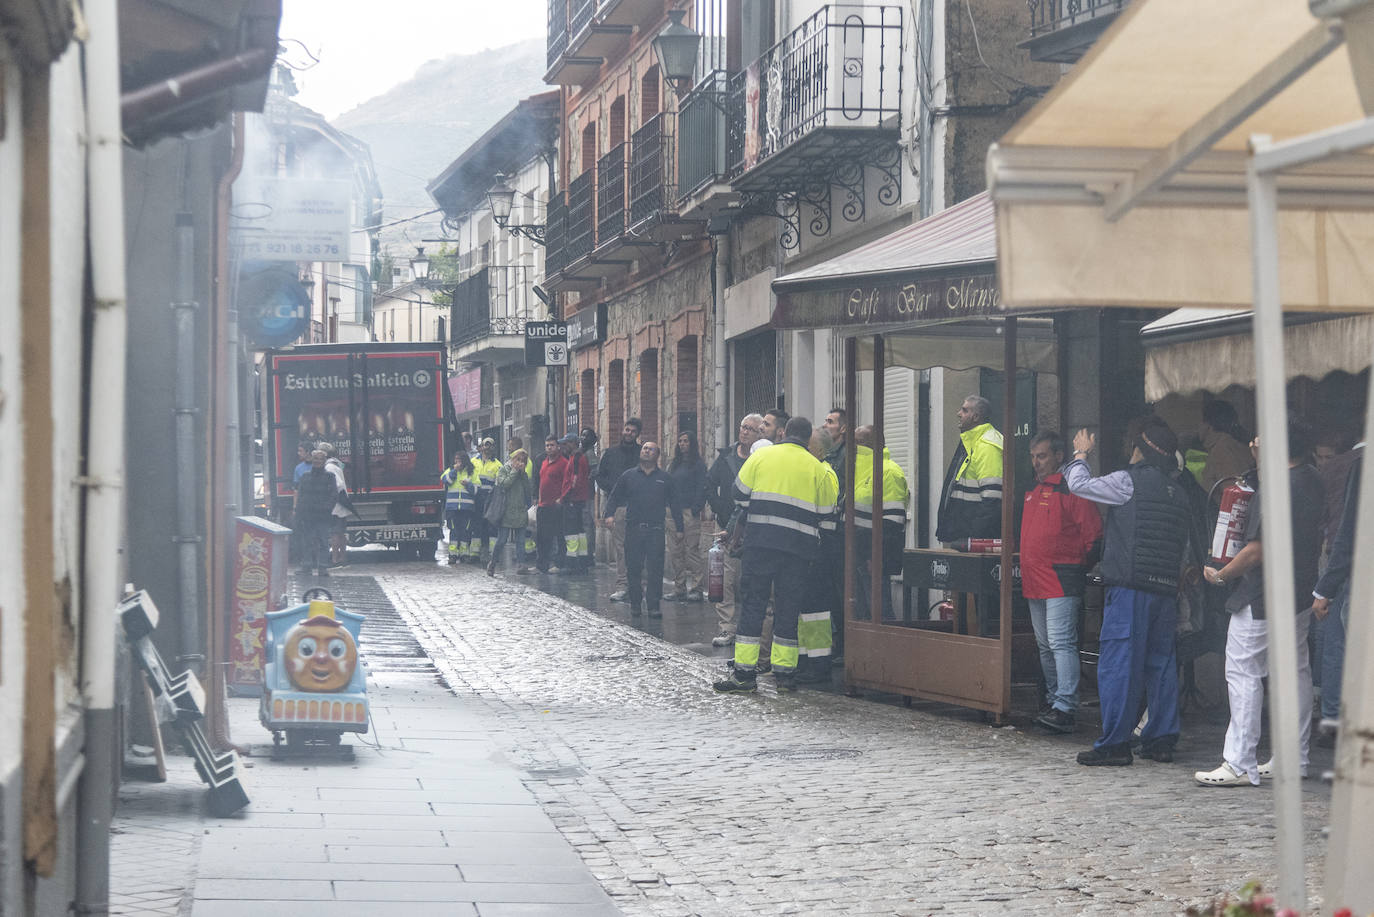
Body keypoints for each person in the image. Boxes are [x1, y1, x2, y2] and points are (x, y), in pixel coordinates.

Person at [1195, 422, 1324, 786]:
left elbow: (1257, 549)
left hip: (1262, 593)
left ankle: (1238, 761)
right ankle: (1292, 756)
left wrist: (1222, 575)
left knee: (1243, 670)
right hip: (1298, 589)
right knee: (1295, 671)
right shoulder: (1310, 478)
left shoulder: (1279, 486)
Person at [1065, 419, 1193, 766]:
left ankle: (1115, 743)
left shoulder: (1127, 482)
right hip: (1165, 589)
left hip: (1130, 587)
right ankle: (1161, 740)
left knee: (1119, 663)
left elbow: (1078, 485)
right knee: (1162, 665)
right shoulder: (1178, 493)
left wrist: (1080, 453)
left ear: (1141, 449)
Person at [714, 417, 839, 694]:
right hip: (798, 551)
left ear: (783, 434)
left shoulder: (763, 457)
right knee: (788, 610)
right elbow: (828, 514)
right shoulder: (817, 468)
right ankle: (785, 676)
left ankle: (744, 675)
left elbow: (739, 495)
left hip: (761, 545)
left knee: (754, 605)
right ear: (808, 440)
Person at [1020, 431, 1103, 734]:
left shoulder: (1072, 490)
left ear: (1058, 456)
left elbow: (1094, 535)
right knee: (1046, 646)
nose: (1036, 462)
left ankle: (1065, 706)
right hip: (1036, 580)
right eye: (1033, 457)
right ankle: (1056, 702)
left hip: (1060, 577)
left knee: (1060, 644)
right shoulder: (1034, 491)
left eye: (1041, 456)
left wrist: (1076, 565)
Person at [1312, 432, 1364, 739]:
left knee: (1335, 643)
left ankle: (1333, 720)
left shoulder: (1353, 466)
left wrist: (1325, 587)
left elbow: (1348, 529)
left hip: (1351, 566)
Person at [602, 441, 682, 618]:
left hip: (655, 530)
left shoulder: (664, 478)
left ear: (657, 455)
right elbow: (614, 497)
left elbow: (675, 503)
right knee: (634, 568)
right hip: (634, 530)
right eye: (644, 448)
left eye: (650, 449)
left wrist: (679, 528)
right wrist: (609, 515)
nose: (646, 451)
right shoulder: (629, 476)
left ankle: (653, 605)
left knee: (655, 569)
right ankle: (636, 603)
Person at [706, 414, 764, 647]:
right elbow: (709, 484)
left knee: (749, 579)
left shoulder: (762, 458)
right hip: (726, 526)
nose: (745, 432)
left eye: (751, 429)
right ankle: (727, 627)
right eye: (743, 427)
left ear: (760, 434)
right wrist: (719, 507)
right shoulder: (726, 457)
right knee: (725, 579)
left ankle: (753, 630)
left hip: (754, 527)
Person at [852, 424, 910, 622]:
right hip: (859, 554)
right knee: (862, 611)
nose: (852, 448)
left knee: (879, 610)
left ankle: (887, 650)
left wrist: (873, 555)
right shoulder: (861, 472)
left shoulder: (888, 472)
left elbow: (892, 523)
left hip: (873, 557)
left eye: (857, 443)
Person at [936, 394, 1004, 544]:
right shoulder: (971, 442)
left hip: (975, 542)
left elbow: (992, 501)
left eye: (964, 410)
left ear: (976, 416)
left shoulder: (988, 445)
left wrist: (973, 540)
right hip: (965, 538)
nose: (958, 413)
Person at [595, 418, 643, 601]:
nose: (628, 433)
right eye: (626, 430)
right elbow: (600, 476)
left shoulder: (641, 454)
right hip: (618, 505)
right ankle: (623, 584)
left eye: (632, 431)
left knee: (639, 548)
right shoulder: (611, 454)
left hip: (638, 506)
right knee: (621, 548)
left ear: (637, 434)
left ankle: (637, 585)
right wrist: (614, 487)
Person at [666, 430, 709, 602]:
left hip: (689, 511)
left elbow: (702, 487)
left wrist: (695, 508)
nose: (682, 444)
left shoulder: (698, 464)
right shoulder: (674, 464)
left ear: (691, 443)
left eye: (686, 441)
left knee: (691, 550)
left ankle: (697, 588)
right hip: (672, 513)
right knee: (675, 552)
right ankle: (679, 587)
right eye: (680, 441)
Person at [488, 448, 534, 576]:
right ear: (512, 459)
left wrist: (523, 474)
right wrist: (514, 471)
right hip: (506, 510)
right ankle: (492, 562)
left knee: (520, 541)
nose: (520, 463)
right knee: (502, 540)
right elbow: (504, 484)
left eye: (523, 461)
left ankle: (521, 564)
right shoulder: (504, 469)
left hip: (520, 510)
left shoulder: (522, 474)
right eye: (518, 460)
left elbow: (527, 490)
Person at [294, 449, 338, 577]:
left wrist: (327, 508)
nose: (317, 461)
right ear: (312, 460)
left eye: (320, 459)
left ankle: (323, 567)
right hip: (307, 515)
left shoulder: (330, 477)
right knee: (307, 541)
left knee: (323, 541)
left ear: (324, 461)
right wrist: (298, 513)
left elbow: (334, 495)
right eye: (315, 459)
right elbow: (301, 495)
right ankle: (306, 566)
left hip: (323, 516)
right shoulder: (305, 476)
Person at [1199, 400, 1254, 498]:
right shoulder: (1232, 445)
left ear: (1208, 426)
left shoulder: (1222, 450)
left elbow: (1234, 493)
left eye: (1201, 422)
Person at [558, 432, 593, 573]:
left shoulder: (577, 458)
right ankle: (582, 561)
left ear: (573, 443)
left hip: (573, 500)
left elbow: (575, 480)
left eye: (566, 444)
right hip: (577, 499)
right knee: (579, 531)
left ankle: (572, 563)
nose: (564, 447)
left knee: (571, 532)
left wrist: (566, 497)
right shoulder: (575, 457)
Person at [535, 434, 567, 573]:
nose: (549, 448)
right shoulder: (544, 462)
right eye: (547, 445)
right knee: (542, 537)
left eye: (552, 445)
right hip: (543, 505)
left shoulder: (563, 463)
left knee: (558, 535)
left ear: (558, 446)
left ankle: (559, 564)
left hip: (556, 505)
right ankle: (542, 565)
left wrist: (561, 499)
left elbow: (566, 483)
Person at [440, 450, 479, 565]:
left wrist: (468, 485)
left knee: (465, 531)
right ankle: (453, 554)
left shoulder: (472, 473)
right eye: (456, 460)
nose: (457, 462)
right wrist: (454, 471)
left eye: (460, 460)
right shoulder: (451, 470)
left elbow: (477, 490)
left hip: (467, 508)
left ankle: (464, 554)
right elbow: (444, 480)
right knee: (454, 531)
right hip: (452, 507)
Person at [320, 442, 352, 567]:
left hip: (335, 507)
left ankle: (335, 559)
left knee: (335, 533)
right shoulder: (336, 465)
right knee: (341, 533)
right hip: (341, 506)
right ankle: (343, 558)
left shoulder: (329, 468)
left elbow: (337, 485)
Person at [473, 437, 503, 562]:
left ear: (493, 448)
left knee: (492, 526)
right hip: (476, 498)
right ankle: (475, 552)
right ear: (481, 447)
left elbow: (499, 483)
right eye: (486, 445)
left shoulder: (498, 465)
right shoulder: (473, 462)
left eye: (490, 445)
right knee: (477, 526)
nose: (487, 448)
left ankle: (493, 553)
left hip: (490, 499)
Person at [822, 407, 848, 492]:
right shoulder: (822, 450)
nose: (824, 425)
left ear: (843, 429)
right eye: (825, 421)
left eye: (830, 422)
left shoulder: (847, 453)